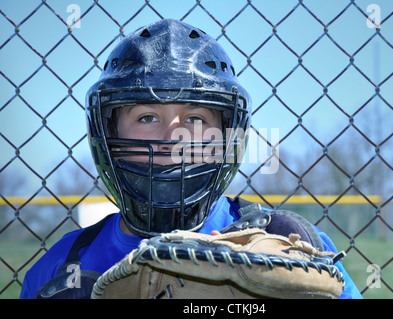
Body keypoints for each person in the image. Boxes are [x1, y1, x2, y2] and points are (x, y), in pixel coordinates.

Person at [20, 19, 362, 299]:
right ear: (108, 133)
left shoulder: (292, 244)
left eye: (195, 119)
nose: (171, 139)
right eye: (147, 118)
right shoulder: (60, 269)